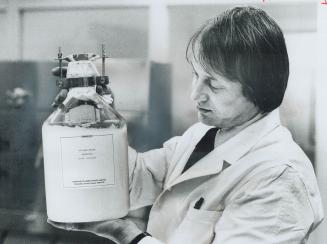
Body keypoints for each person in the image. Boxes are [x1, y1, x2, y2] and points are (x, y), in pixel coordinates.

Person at [49, 6, 324, 244]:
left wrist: (129, 236)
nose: (195, 94)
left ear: (259, 88)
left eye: (213, 84)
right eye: (196, 75)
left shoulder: (278, 176)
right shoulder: (201, 135)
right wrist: (100, 122)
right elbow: (132, 182)